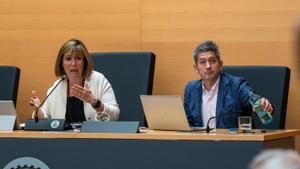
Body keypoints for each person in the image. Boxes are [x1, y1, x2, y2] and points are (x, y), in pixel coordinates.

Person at [184, 40, 273, 128]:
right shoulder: (191, 89)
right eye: (203, 62)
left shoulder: (236, 85)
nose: (208, 66)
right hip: (200, 142)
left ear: (220, 65)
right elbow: (187, 124)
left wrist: (263, 104)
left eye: (212, 61)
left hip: (233, 141)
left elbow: (253, 99)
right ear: (196, 68)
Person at [29, 39, 120, 124]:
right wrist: (38, 112)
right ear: (62, 63)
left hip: (94, 139)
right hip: (64, 140)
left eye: (78, 58)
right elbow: (47, 123)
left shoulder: (98, 80)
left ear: (84, 62)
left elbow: (115, 116)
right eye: (68, 59)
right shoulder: (56, 87)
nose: (73, 63)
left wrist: (94, 102)